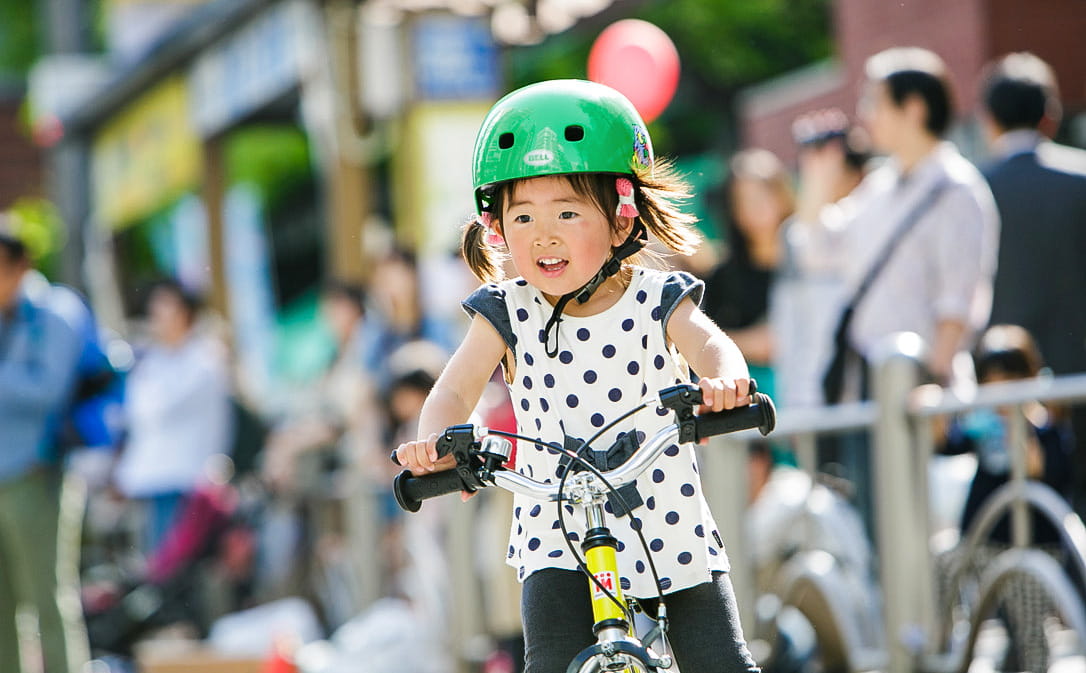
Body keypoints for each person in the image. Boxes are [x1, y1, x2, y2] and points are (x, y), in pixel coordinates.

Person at [395, 79, 760, 673]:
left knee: (721, 661)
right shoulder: (506, 310)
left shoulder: (657, 297)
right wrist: (436, 441)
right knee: (549, 661)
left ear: (622, 220)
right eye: (523, 215)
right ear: (496, 226)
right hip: (553, 530)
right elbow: (455, 390)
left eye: (567, 212)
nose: (544, 234)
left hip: (663, 516)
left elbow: (712, 347)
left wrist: (725, 383)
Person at [791, 48, 1000, 532]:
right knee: (877, 530)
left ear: (915, 108)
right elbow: (817, 249)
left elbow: (960, 301)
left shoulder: (957, 188)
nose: (865, 114)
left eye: (876, 101)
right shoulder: (883, 186)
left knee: (924, 533)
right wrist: (818, 178)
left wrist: (938, 384)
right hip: (866, 388)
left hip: (922, 391)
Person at [977, 52, 1086, 516]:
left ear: (989, 119)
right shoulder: (1080, 179)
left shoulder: (974, 188)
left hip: (1002, 396)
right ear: (1051, 114)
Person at [934, 324, 1073, 673]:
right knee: (945, 565)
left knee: (1028, 631)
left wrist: (1019, 421)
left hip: (1031, 546)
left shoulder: (1046, 427)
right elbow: (946, 443)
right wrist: (937, 402)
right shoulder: (982, 426)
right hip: (983, 539)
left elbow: (1044, 468)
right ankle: (940, 650)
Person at [0, 219, 90, 673]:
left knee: (49, 600)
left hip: (38, 476)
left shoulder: (55, 312)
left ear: (21, 265)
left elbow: (49, 388)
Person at [113, 279, 234, 555]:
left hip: (188, 482)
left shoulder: (204, 359)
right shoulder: (154, 361)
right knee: (158, 569)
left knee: (178, 573)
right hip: (151, 482)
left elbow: (155, 410)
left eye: (165, 306)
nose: (157, 315)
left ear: (185, 312)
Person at [771, 112, 871, 408]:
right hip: (813, 392)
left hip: (863, 383)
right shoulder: (795, 234)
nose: (817, 179)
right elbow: (788, 320)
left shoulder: (873, 220)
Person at [702, 148, 795, 400]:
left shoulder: (809, 259)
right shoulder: (723, 277)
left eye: (762, 195)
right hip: (753, 403)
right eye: (744, 199)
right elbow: (705, 338)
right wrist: (747, 343)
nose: (756, 207)